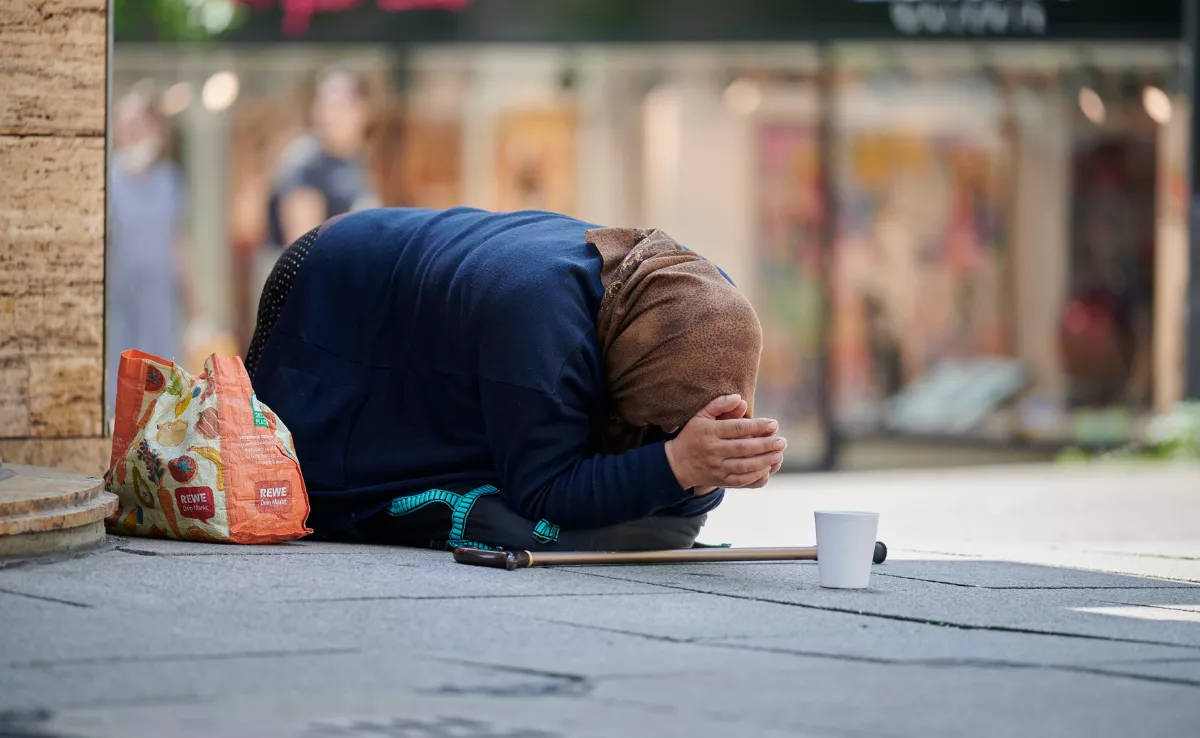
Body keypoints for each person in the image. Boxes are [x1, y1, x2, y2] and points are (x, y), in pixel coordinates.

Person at [246, 208, 784, 551]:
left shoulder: (698, 298)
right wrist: (678, 465)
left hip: (439, 297)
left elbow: (660, 466)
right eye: (659, 426)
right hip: (332, 282)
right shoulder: (543, 319)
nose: (663, 436)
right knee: (287, 473)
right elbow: (543, 487)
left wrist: (709, 473)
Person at [107, 89, 199, 424]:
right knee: (121, 390)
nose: (132, 136)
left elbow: (178, 244)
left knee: (162, 392)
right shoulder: (108, 181)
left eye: (139, 127)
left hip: (161, 302)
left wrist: (196, 309)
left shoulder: (170, 181)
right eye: (125, 127)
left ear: (156, 130)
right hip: (121, 302)